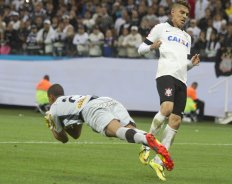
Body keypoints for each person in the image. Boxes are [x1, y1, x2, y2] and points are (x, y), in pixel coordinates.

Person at [44, 84, 174, 173]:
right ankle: (149, 139)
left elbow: (64, 139)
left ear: (51, 97)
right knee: (130, 130)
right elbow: (76, 134)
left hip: (91, 109)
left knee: (117, 131)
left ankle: (147, 141)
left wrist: (51, 126)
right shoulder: (70, 100)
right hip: (105, 100)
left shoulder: (53, 110)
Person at [137, 0, 200, 181]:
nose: (184, 17)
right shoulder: (160, 28)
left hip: (181, 79)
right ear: (172, 13)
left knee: (176, 120)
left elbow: (183, 65)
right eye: (181, 13)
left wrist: (192, 64)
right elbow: (141, 49)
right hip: (165, 75)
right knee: (166, 108)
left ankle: (159, 159)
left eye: (187, 14)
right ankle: (147, 144)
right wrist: (151, 47)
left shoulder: (187, 38)